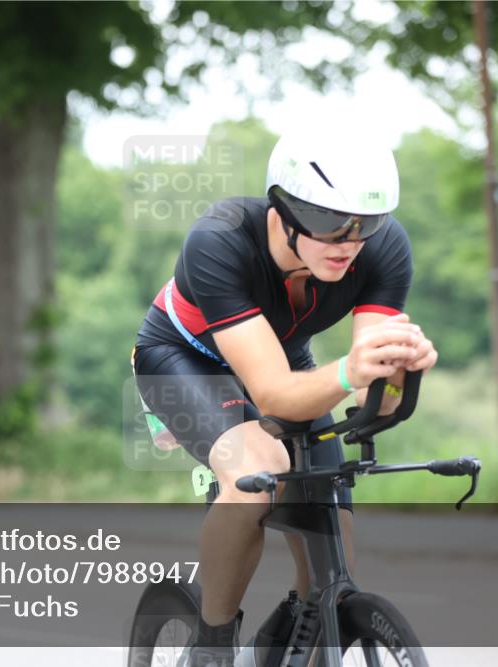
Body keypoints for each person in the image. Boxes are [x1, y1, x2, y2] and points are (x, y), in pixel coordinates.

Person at [131, 124, 438, 666]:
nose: (349, 243)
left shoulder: (383, 248)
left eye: (365, 223)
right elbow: (274, 395)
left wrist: (397, 374)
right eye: (330, 223)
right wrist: (350, 369)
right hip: (185, 359)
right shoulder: (220, 239)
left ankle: (291, 639)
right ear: (285, 210)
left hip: (283, 358)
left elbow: (374, 399)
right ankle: (211, 646)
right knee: (257, 472)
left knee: (332, 523)